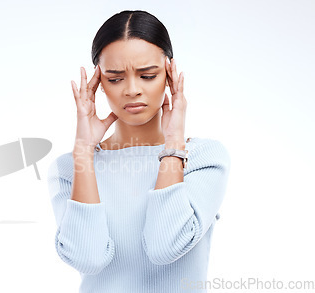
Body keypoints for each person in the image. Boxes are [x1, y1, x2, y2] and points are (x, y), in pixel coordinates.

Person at [47, 10, 231, 293]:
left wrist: (173, 146)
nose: (132, 90)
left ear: (169, 75)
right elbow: (89, 258)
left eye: (147, 75)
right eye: (115, 78)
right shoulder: (69, 168)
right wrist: (84, 153)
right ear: (99, 84)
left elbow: (165, 247)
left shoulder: (203, 159)